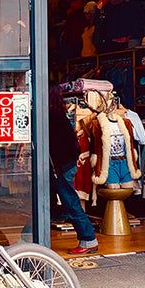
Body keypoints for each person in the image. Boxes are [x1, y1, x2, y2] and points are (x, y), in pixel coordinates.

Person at [49, 83, 98, 254]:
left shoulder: (52, 116)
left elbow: (59, 145)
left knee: (70, 202)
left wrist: (58, 166)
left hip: (62, 166)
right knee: (65, 201)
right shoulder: (59, 114)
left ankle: (88, 239)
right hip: (65, 165)